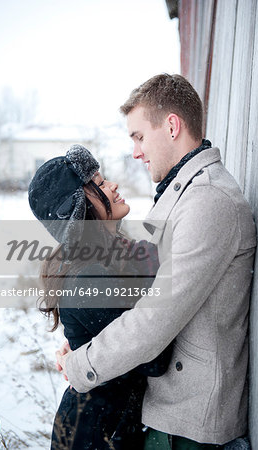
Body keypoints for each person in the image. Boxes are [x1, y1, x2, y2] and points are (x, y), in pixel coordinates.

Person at [56, 74, 257, 449]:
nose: (135, 152)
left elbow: (154, 319)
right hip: (171, 415)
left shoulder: (208, 202)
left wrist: (81, 365)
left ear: (171, 126)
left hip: (190, 428)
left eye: (139, 136)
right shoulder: (187, 198)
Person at [28, 144, 172, 450]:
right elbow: (154, 358)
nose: (114, 185)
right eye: (100, 184)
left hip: (112, 425)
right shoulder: (88, 276)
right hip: (94, 433)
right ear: (79, 207)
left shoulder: (108, 256)